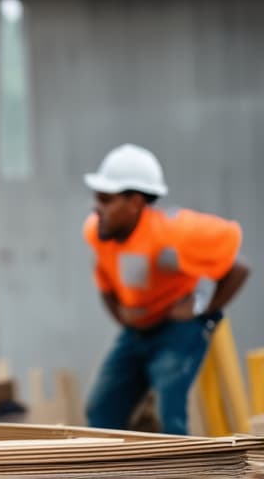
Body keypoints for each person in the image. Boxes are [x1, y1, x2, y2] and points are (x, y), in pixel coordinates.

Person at [82, 143, 249, 435]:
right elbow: (105, 285)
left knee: (167, 415)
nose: (97, 207)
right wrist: (122, 318)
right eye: (97, 197)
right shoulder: (98, 233)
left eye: (106, 199)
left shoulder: (175, 234)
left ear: (135, 202)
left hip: (175, 330)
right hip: (137, 333)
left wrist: (203, 310)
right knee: (101, 409)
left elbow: (238, 269)